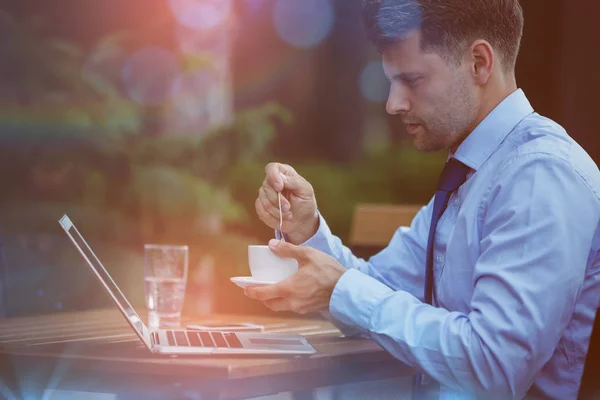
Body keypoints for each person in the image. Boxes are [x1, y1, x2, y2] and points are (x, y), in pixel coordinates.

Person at [245, 0, 600, 398]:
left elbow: (494, 365)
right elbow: (376, 287)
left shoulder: (540, 175)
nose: (393, 103)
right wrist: (306, 229)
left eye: (412, 80)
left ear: (479, 63)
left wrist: (342, 290)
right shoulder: (475, 171)